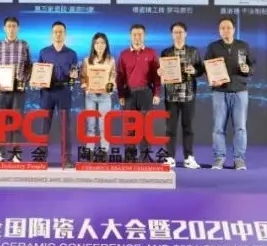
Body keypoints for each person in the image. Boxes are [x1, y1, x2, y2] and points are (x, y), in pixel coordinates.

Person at [204, 15, 255, 170]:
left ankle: (239, 159)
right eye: (222, 28)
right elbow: (207, 67)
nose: (225, 30)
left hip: (240, 91)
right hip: (220, 91)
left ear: (234, 29)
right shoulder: (213, 47)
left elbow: (252, 65)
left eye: (228, 27)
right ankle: (219, 158)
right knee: (218, 128)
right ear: (219, 30)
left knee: (240, 128)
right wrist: (212, 79)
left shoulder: (243, 46)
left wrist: (248, 69)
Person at [0, 16, 31, 163]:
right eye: (9, 26)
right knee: (1, 123)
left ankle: (16, 154)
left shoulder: (24, 44)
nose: (11, 29)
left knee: (17, 122)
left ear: (18, 28)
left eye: (14, 26)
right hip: (1, 90)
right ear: (4, 28)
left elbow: (29, 66)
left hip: (18, 90)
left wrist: (25, 80)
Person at [34, 21, 80, 168]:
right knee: (44, 125)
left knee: (65, 126)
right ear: (51, 34)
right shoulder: (44, 52)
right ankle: (41, 157)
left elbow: (75, 73)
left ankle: (66, 158)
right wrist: (37, 80)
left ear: (65, 34)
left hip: (64, 91)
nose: (58, 34)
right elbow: (38, 71)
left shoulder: (72, 53)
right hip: (47, 92)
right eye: (55, 32)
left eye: (61, 32)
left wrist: (75, 75)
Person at [158, 22, 204, 169]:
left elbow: (201, 69)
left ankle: (188, 157)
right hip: (171, 95)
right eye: (175, 32)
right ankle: (170, 156)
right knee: (170, 128)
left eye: (180, 32)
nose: (178, 35)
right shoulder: (166, 52)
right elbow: (162, 70)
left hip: (188, 94)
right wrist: (160, 72)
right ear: (172, 35)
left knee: (188, 127)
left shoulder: (193, 51)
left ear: (186, 34)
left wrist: (194, 71)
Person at [115, 24, 161, 157]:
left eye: (140, 34)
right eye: (134, 34)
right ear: (130, 36)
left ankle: (144, 156)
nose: (137, 37)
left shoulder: (151, 53)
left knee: (146, 126)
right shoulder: (124, 54)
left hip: (146, 92)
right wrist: (121, 95)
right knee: (129, 126)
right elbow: (120, 76)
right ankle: (130, 156)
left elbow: (156, 75)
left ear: (144, 36)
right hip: (129, 93)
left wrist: (156, 93)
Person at [80, 32, 116, 155]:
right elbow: (83, 77)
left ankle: (103, 151)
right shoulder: (87, 60)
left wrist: (110, 86)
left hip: (105, 96)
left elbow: (113, 76)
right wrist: (86, 87)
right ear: (93, 45)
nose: (100, 45)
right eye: (97, 43)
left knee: (104, 125)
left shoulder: (111, 60)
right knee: (90, 125)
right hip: (90, 96)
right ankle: (89, 150)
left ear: (106, 45)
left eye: (102, 43)